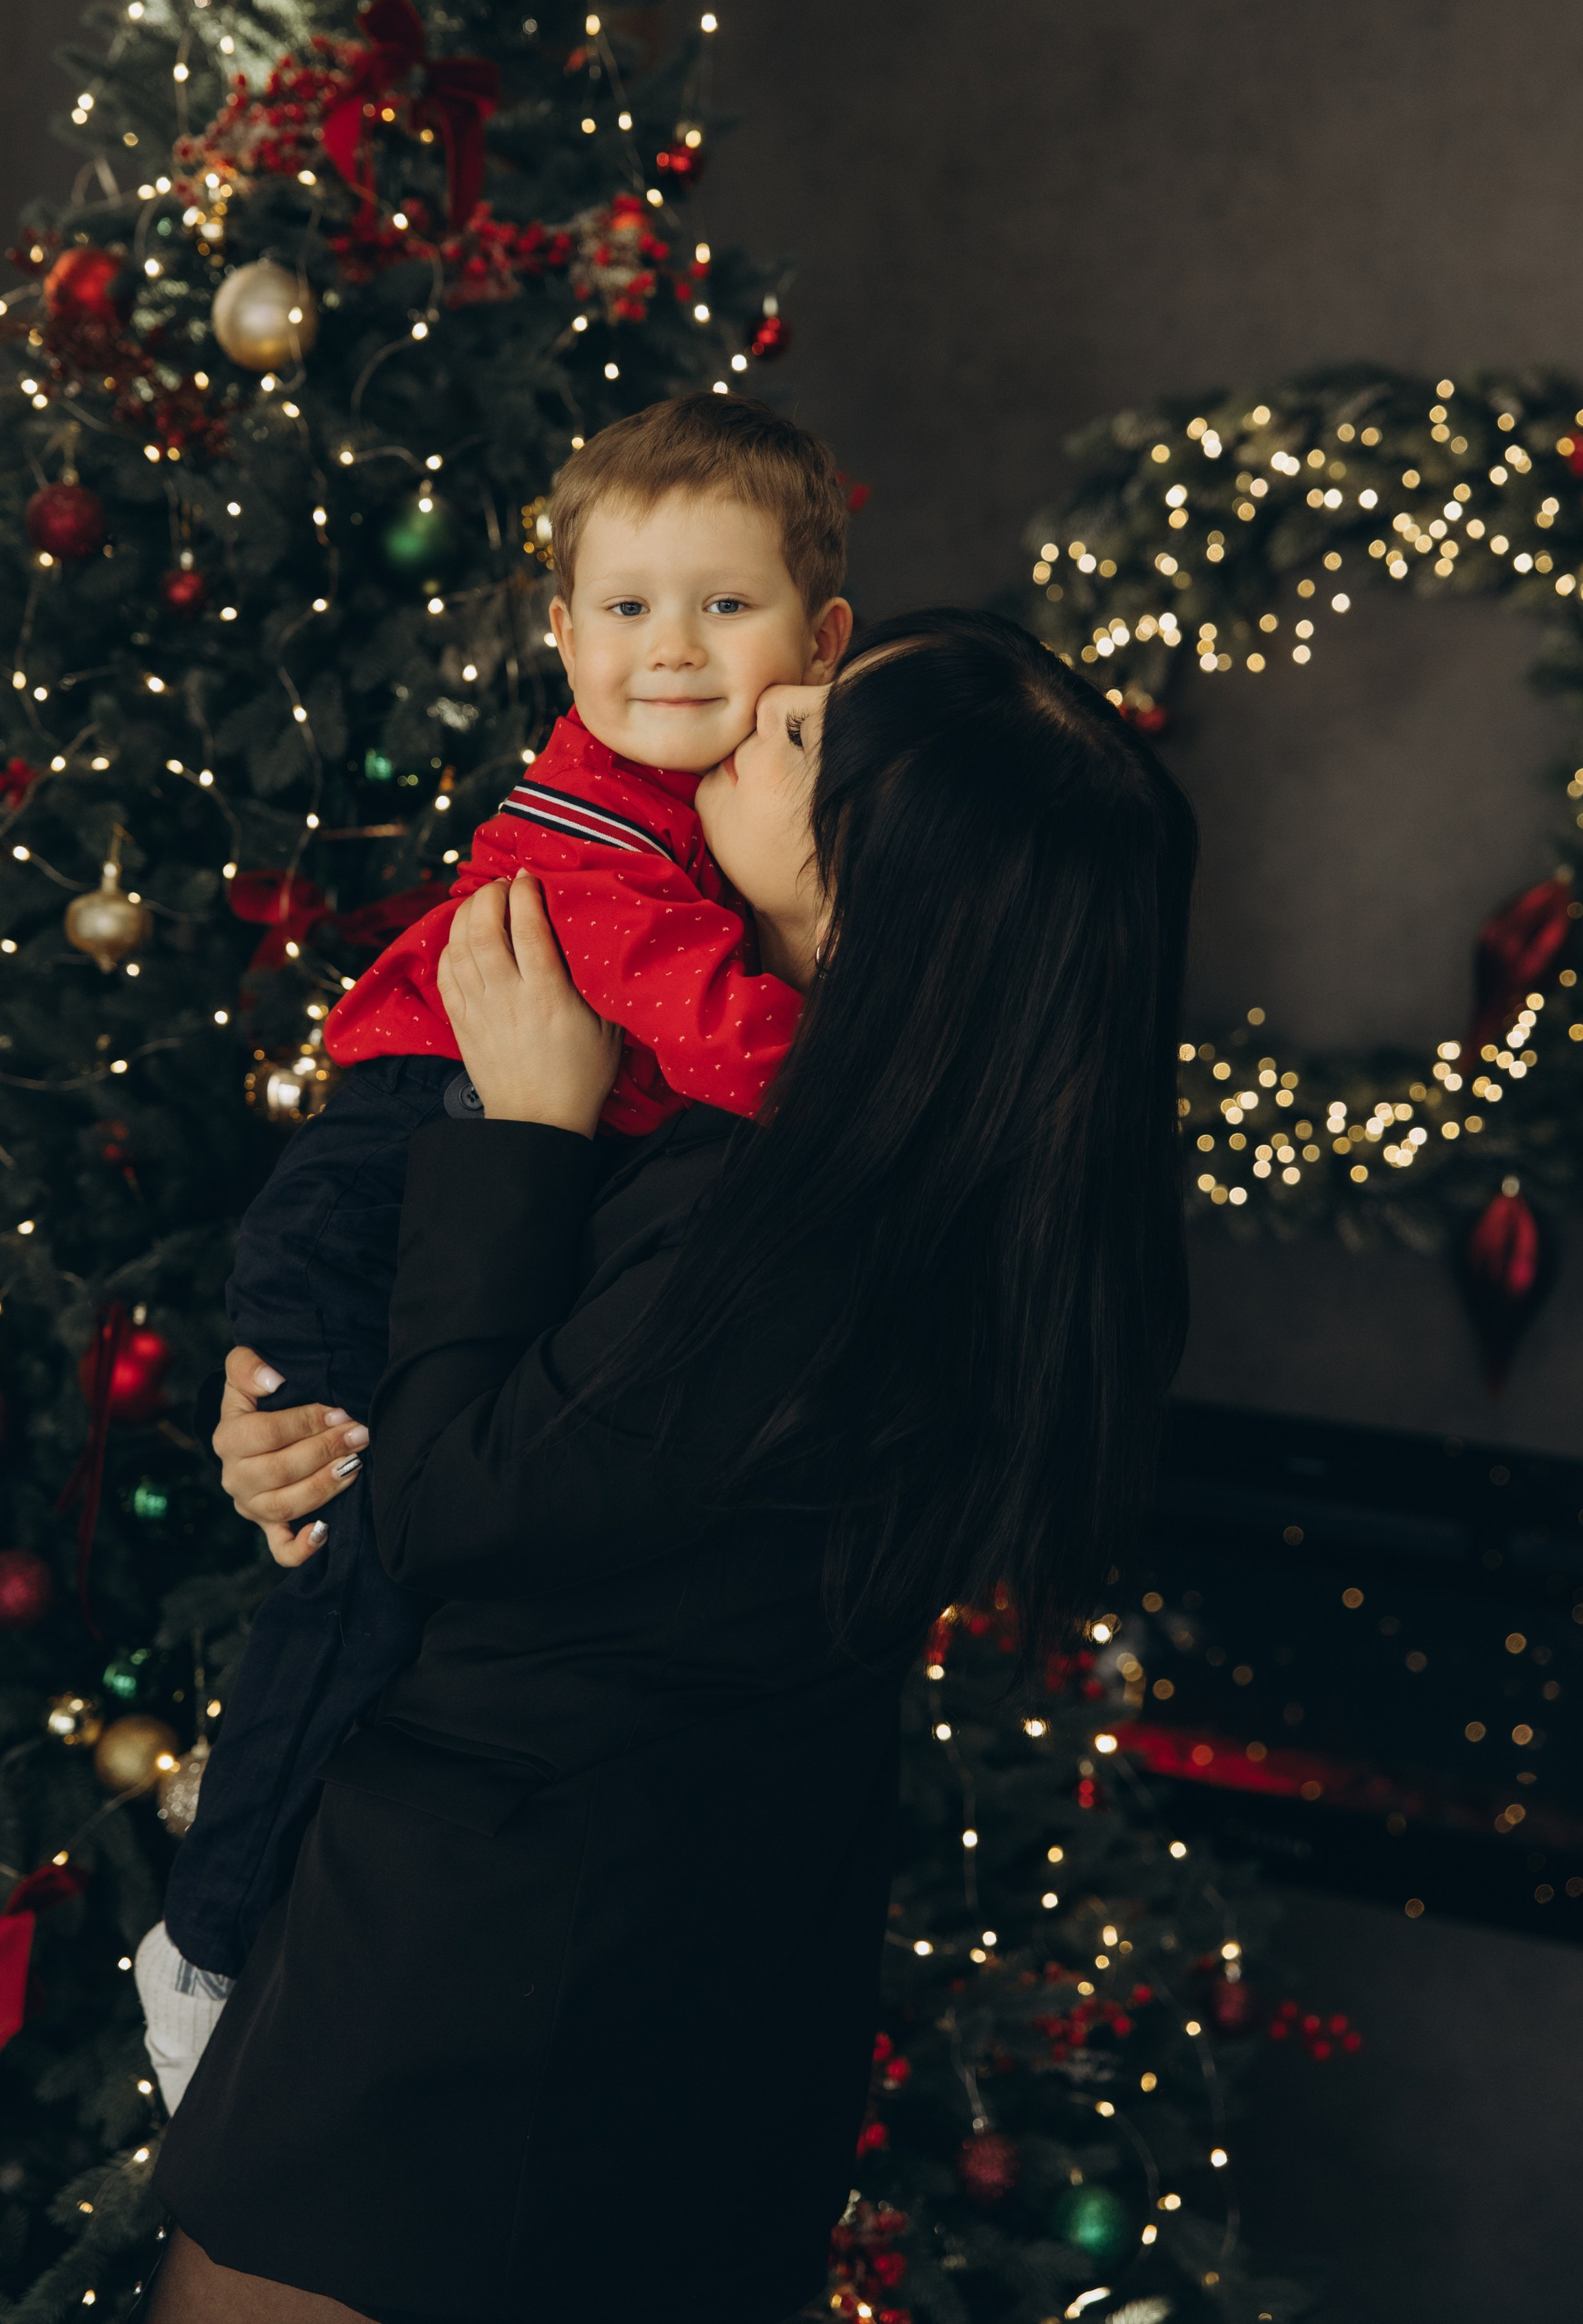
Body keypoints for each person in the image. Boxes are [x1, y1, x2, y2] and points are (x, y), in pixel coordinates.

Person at [144, 608, 1198, 2324]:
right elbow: (510, 1456)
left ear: (880, 902)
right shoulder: (877, 1152)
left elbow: (448, 1513)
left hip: (497, 1961)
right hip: (672, 1954)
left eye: (799, 735)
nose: (746, 703)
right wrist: (295, 1428)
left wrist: (525, 1132)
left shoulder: (810, 1231)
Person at [139, 395, 854, 2057]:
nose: (667, 651)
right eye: (621, 608)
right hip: (386, 1178)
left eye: (722, 606)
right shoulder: (592, 829)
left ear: (821, 637)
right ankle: (209, 1952)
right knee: (349, 1584)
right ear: (557, 634)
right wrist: (857, 1083)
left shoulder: (759, 816)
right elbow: (699, 1021)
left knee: (380, 1581)